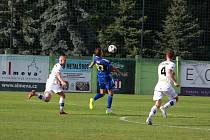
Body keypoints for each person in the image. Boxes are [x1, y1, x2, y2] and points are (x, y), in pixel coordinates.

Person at [146, 50, 180, 125]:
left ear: (166, 56)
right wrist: (175, 82)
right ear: (172, 56)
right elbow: (168, 72)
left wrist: (172, 74)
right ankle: (164, 107)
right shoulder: (172, 64)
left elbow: (164, 73)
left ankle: (149, 118)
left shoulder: (160, 64)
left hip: (158, 85)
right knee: (176, 99)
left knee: (157, 104)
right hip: (166, 85)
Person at [88, 47, 125, 114]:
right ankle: (108, 110)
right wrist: (121, 73)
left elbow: (93, 62)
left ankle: (93, 100)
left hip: (100, 77)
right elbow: (113, 68)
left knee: (102, 93)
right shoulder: (105, 61)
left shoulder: (96, 58)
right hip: (106, 77)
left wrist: (90, 66)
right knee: (110, 93)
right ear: (101, 53)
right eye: (102, 51)